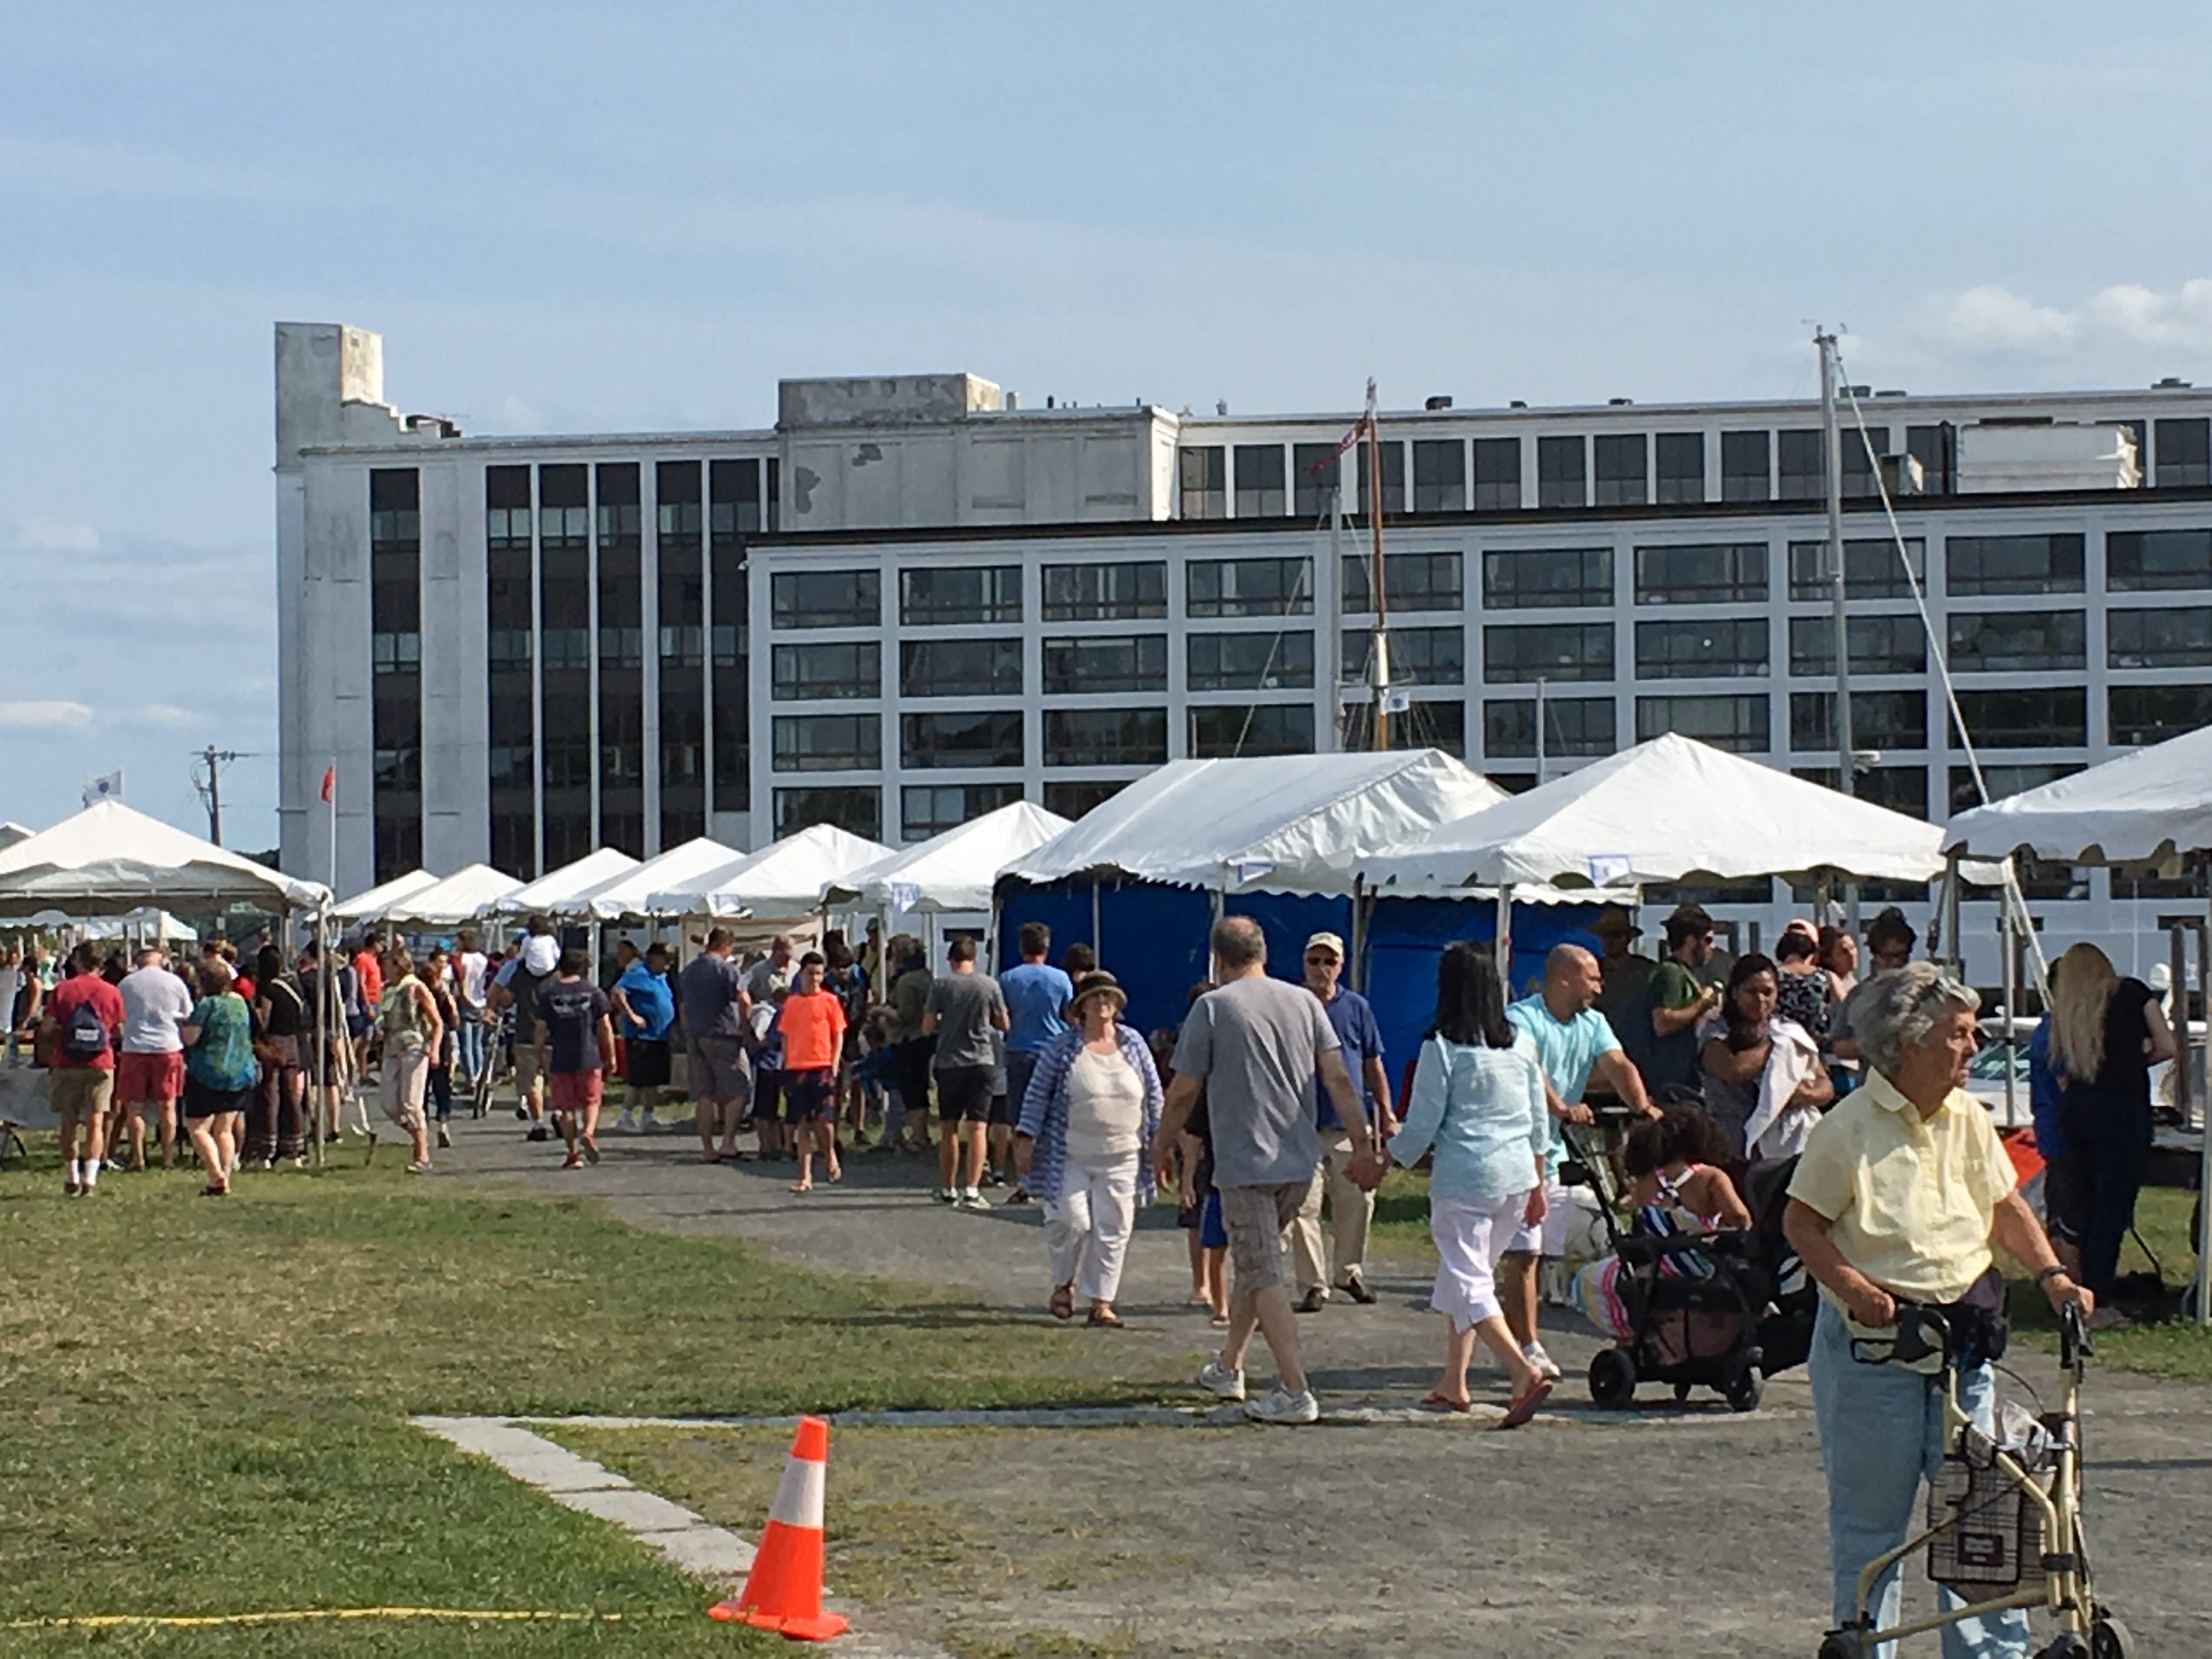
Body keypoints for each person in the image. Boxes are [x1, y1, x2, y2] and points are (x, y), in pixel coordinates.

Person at [1784, 963, 2086, 1659]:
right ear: (1910, 1043)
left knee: (1981, 1520)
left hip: (1964, 1347)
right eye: (1958, 1034)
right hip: (1875, 1352)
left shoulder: (1969, 1117)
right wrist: (1852, 1286)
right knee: (1873, 1525)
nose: (1973, 1046)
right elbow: (1802, 1224)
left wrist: (2052, 1276)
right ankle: (1868, 1644)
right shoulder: (1848, 1128)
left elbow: (2004, 1205)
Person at [1155, 916, 1380, 1425]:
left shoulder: (1213, 1007)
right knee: (1259, 1270)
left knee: (1261, 1272)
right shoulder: (1304, 1002)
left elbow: (1184, 1091)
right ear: (1264, 952)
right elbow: (1339, 1079)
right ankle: (1229, 1365)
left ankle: (1295, 1389)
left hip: (1245, 1162)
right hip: (1298, 1161)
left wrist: (1159, 1146)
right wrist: (1363, 1142)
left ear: (1217, 958)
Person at [1386, 941, 1555, 1426]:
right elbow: (1538, 1117)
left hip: (1466, 1176)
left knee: (1470, 1278)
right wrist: (1539, 1180)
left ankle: (1520, 1371)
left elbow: (1422, 1125)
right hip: (1517, 1176)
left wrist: (1386, 1159)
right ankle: (1453, 1383)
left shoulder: (1441, 1046)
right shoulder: (1521, 1041)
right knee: (1464, 1273)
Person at [1503, 943, 1658, 1382]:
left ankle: (1625, 1330)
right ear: (1565, 977)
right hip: (1518, 1151)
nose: (1600, 985)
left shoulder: (1594, 1022)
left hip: (1553, 1153)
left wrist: (1644, 1108)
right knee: (1524, 1252)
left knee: (1600, 1229)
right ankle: (1526, 1343)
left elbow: (1618, 1064)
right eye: (1593, 978)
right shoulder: (1522, 1018)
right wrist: (1561, 1108)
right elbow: (1532, 1070)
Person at [1013, 970, 1161, 1328]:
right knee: (1071, 1222)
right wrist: (1025, 1138)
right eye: (1094, 998)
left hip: (1124, 1154)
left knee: (1115, 1227)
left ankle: (1102, 1302)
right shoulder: (1062, 1049)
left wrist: (1162, 1143)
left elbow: (1154, 1095)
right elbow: (1036, 1096)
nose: (1103, 1004)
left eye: (1109, 998)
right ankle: (1063, 1283)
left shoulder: (1134, 1044)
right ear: (1081, 1007)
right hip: (1072, 1155)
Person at [2046, 941, 2174, 1329]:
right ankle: (2099, 1300)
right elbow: (2168, 1046)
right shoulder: (2132, 992)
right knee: (2112, 1206)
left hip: (2080, 1108)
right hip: (2122, 1107)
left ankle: (2080, 1290)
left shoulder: (2070, 1010)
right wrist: (2139, 1057)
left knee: (2083, 1205)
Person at [1573, 1105, 1752, 1341]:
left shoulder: (1647, 1183)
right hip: (1702, 1261)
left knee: (1591, 1276)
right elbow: (1740, 1218)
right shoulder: (1710, 1177)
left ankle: (1630, 1335)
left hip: (1660, 1261)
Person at [1288, 931, 1396, 1311]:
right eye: (1314, 961)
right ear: (1303, 964)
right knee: (1303, 1206)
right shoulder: (1292, 1004)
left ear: (1342, 965)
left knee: (1359, 1200)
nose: (1321, 969)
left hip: (1349, 1124)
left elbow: (1373, 1062)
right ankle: (1313, 1283)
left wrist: (1387, 1112)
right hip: (1300, 1123)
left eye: (1329, 961)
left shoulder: (1357, 1007)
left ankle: (1348, 1271)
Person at [1696, 951, 1832, 1166]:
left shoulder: (1788, 1028)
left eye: (1767, 992)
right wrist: (1780, 1046)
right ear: (1735, 993)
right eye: (1751, 992)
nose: (1760, 1000)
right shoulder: (1715, 1029)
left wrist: (1802, 1095)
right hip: (1732, 1148)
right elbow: (1733, 1069)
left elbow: (1825, 1086)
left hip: (1784, 1150)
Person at [923, 935, 1009, 1209]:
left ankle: (949, 1186)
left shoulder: (941, 985)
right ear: (974, 959)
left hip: (949, 1061)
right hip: (982, 1060)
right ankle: (972, 1189)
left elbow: (927, 1026)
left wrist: (942, 1023)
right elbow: (1004, 1023)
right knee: (978, 1128)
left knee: (948, 1127)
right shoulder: (989, 985)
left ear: (951, 959)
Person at [42, 942, 125, 1197]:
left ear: (76, 962)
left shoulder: (62, 990)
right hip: (100, 1062)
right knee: (96, 1122)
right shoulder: (111, 992)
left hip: (67, 1062)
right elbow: (119, 1030)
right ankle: (90, 1179)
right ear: (101, 964)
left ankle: (71, 1177)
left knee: (69, 1123)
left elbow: (46, 1028)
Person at [998, 922, 1073, 1201]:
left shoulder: (1008, 979)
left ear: (1022, 947)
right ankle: (1056, 1176)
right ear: (1047, 946)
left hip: (1020, 1049)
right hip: (1054, 1050)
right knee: (1055, 1118)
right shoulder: (1061, 979)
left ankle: (1025, 1182)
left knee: (1022, 1119)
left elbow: (1003, 1018)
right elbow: (1068, 1014)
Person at [1624, 902, 1723, 1096]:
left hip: (1682, 1079)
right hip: (1669, 1083)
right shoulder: (1670, 973)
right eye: (1708, 940)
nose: (1713, 947)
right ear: (1691, 941)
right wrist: (1704, 1002)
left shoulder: (1684, 974)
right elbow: (1662, 1023)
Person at [180, 958, 257, 1195]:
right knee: (224, 1129)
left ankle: (216, 1175)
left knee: (198, 1127)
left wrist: (183, 1026)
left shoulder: (207, 1005)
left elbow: (191, 1038)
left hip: (209, 1071)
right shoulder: (240, 1004)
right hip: (239, 1071)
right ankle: (226, 1176)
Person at [676, 927, 753, 1163]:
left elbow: (682, 1006)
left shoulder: (688, 971)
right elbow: (745, 1000)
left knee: (705, 1094)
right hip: (723, 1034)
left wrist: (687, 1028)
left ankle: (707, 1148)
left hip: (696, 1033)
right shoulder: (727, 969)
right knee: (740, 1089)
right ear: (727, 945)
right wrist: (745, 1027)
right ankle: (728, 1142)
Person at [537, 947, 616, 1171]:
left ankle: (573, 1153)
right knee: (592, 1100)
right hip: (589, 1055)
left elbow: (540, 1029)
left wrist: (539, 1055)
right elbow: (605, 1027)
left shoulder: (548, 994)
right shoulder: (594, 993)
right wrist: (610, 1055)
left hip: (561, 1057)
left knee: (566, 1108)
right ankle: (588, 1132)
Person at [116, 945, 193, 1171]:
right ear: (162, 960)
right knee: (167, 1107)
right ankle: (167, 1158)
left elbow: (119, 1014)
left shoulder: (127, 984)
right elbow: (187, 1014)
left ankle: (138, 1157)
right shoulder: (175, 983)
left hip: (134, 1047)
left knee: (134, 1108)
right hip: (167, 1047)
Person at [777, 950, 848, 1193]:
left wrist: (835, 1063)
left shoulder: (830, 1000)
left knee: (825, 1120)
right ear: (803, 973)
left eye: (819, 973)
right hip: (797, 1067)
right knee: (803, 1123)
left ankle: (829, 1154)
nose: (816, 978)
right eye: (811, 973)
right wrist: (786, 1063)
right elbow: (785, 1035)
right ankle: (805, 1176)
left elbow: (838, 1033)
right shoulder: (793, 1002)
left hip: (822, 1065)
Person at [491, 919, 560, 1136]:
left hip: (525, 1031)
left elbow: (506, 999)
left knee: (530, 1081)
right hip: (556, 1034)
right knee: (556, 1078)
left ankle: (538, 1123)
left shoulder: (521, 972)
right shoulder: (559, 973)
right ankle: (559, 1113)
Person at [376, 945, 442, 1175]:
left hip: (414, 1048)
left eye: (387, 964)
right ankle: (416, 1135)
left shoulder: (416, 988)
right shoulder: (388, 989)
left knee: (411, 1103)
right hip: (391, 1048)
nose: (384, 968)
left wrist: (434, 1050)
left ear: (398, 965)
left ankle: (421, 1155)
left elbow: (437, 1023)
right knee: (389, 1103)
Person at [245, 944, 308, 1169]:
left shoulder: (267, 990)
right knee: (292, 1096)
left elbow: (264, 1020)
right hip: (293, 1043)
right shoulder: (293, 987)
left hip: (273, 1044)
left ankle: (266, 1148)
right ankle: (294, 1147)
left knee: (270, 1096)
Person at [1828, 908, 1917, 1067]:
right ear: (1875, 955)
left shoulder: (1923, 988)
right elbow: (1839, 1047)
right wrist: (1877, 1043)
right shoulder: (1861, 994)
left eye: (1903, 956)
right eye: (1889, 956)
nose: (1896, 963)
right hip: (1873, 1083)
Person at [611, 941, 676, 1133]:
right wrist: (631, 1015)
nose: (667, 964)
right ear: (654, 957)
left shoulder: (661, 976)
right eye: (665, 959)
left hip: (659, 1036)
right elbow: (617, 992)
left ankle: (647, 1117)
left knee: (654, 1081)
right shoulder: (638, 973)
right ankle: (625, 1117)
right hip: (642, 1037)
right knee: (637, 1080)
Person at [744, 935, 797, 1155]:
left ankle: (781, 1143)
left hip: (788, 1052)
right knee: (764, 1104)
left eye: (789, 958)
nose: (786, 963)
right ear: (774, 951)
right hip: (767, 1049)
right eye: (783, 957)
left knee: (782, 1103)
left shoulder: (796, 970)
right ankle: (766, 1145)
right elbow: (743, 993)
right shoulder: (757, 972)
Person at [887, 936, 936, 1153]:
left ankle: (917, 1136)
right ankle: (922, 1133)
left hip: (909, 1039)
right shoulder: (927, 977)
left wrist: (882, 1011)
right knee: (921, 1086)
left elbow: (904, 1015)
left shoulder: (907, 981)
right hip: (926, 1038)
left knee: (912, 1089)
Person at [418, 948, 461, 1147]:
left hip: (420, 1044)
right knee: (442, 1087)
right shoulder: (441, 994)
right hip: (440, 1044)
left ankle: (422, 1129)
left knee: (421, 1090)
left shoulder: (417, 996)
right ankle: (443, 1124)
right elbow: (454, 1022)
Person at [1590, 905, 1654, 1039]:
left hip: (1638, 1043)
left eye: (1616, 935)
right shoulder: (1591, 970)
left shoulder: (1645, 970)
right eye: (1605, 936)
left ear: (1628, 938)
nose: (1610, 941)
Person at [1773, 924, 1830, 1043]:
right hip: (1816, 1044)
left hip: (1780, 1043)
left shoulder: (1772, 977)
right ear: (1812, 952)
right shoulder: (1825, 977)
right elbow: (1845, 1008)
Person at [452, 927, 491, 1092]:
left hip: (465, 1000)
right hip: (481, 1000)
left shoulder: (461, 959)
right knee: (477, 1043)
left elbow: (459, 980)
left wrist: (462, 995)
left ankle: (471, 1078)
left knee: (466, 1043)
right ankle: (481, 1074)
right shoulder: (482, 958)